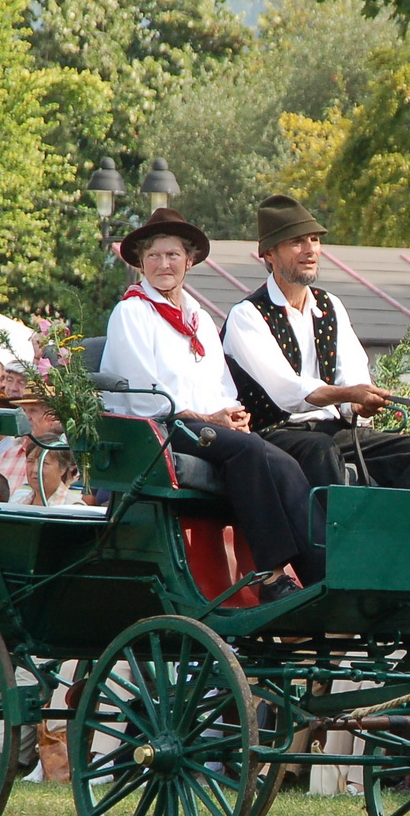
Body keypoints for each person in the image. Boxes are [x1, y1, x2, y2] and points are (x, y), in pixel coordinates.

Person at [101, 206, 325, 592]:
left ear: (189, 261)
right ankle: (269, 575)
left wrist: (230, 413)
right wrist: (206, 416)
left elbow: (223, 385)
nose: (163, 264)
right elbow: (141, 392)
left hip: (204, 423)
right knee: (249, 453)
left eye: (172, 255)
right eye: (153, 256)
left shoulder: (199, 318)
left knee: (284, 460)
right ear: (140, 263)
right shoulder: (132, 312)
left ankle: (323, 571)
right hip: (162, 427)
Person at [222, 195, 410, 492]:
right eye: (297, 241)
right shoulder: (247, 315)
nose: (310, 249)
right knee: (319, 449)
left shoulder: (330, 306)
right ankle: (335, 539)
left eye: (314, 239)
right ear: (270, 253)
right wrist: (350, 393)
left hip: (332, 432)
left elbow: (352, 373)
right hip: (274, 433)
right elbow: (287, 392)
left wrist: (358, 404)